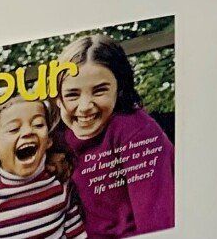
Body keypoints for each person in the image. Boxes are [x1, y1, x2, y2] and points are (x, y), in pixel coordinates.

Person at [54, 35, 174, 238]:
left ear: (120, 89)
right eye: (72, 95)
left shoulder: (137, 131)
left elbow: (158, 222)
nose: (84, 107)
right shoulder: (56, 137)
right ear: (58, 98)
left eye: (99, 91)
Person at [0, 96, 87, 238]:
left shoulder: (59, 186)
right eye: (14, 129)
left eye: (38, 125)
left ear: (48, 142)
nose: (28, 132)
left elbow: (77, 233)